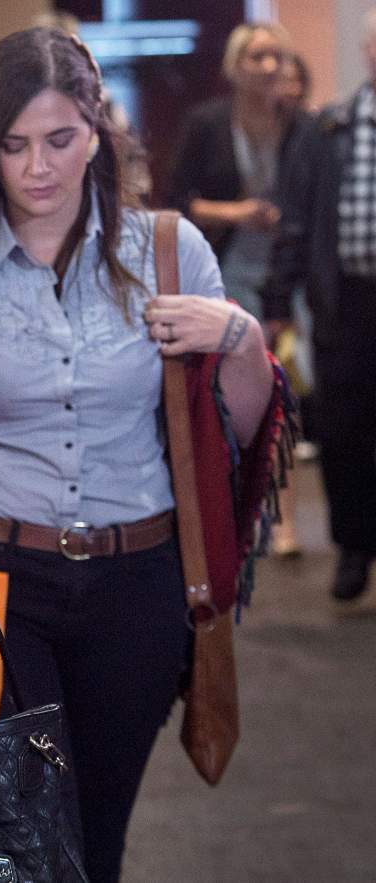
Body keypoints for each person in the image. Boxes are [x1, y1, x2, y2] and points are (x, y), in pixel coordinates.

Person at [0, 28, 287, 882]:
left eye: (60, 139)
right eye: (14, 144)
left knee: (97, 831)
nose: (38, 167)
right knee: (26, 832)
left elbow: (245, 434)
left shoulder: (169, 253)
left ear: (98, 130)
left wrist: (241, 338)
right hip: (1, 585)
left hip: (138, 585)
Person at [262, 9, 376, 601]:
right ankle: (354, 547)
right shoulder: (329, 127)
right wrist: (278, 300)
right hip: (346, 302)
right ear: (367, 52)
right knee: (345, 430)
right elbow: (298, 220)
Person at [168, 23, 309, 322]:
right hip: (227, 262)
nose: (270, 67)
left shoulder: (302, 126)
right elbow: (175, 202)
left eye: (278, 57)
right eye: (258, 57)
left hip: (289, 269)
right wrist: (236, 213)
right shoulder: (206, 123)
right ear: (235, 65)